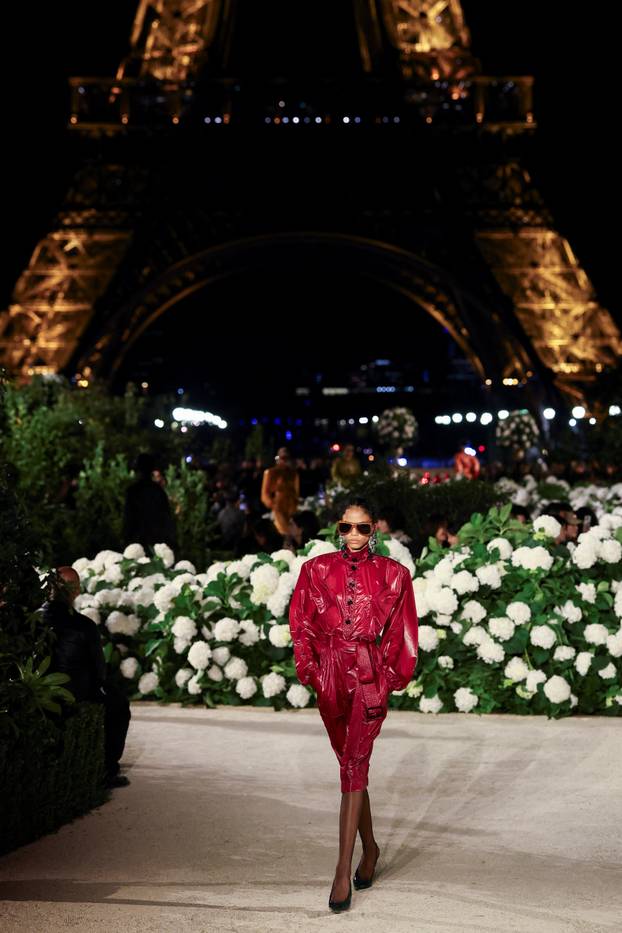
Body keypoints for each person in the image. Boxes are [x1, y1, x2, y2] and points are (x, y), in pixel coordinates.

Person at [289, 496, 418, 912]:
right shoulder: (315, 569)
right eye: (347, 527)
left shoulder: (395, 575)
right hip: (329, 672)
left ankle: (342, 871)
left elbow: (405, 629)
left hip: (367, 673)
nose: (355, 535)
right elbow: (301, 621)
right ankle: (372, 850)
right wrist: (309, 668)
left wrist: (391, 678)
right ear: (338, 529)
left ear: (374, 531)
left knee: (354, 764)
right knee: (350, 767)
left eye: (363, 528)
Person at [41, 566, 131, 788]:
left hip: (35, 688)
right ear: (76, 592)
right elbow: (99, 670)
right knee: (119, 705)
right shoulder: (84, 625)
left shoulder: (31, 619)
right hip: (73, 692)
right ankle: (107, 770)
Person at [123, 453, 177, 551]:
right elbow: (166, 520)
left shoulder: (132, 491)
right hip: (155, 541)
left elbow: (128, 519)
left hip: (138, 541)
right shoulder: (158, 491)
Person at [260, 447, 300, 535]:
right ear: (278, 458)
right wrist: (273, 505)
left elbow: (296, 492)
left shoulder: (293, 474)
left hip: (291, 509)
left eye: (287, 458)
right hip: (278, 508)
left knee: (292, 533)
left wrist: (295, 506)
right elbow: (264, 494)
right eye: (282, 458)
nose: (285, 461)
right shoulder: (270, 472)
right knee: (282, 532)